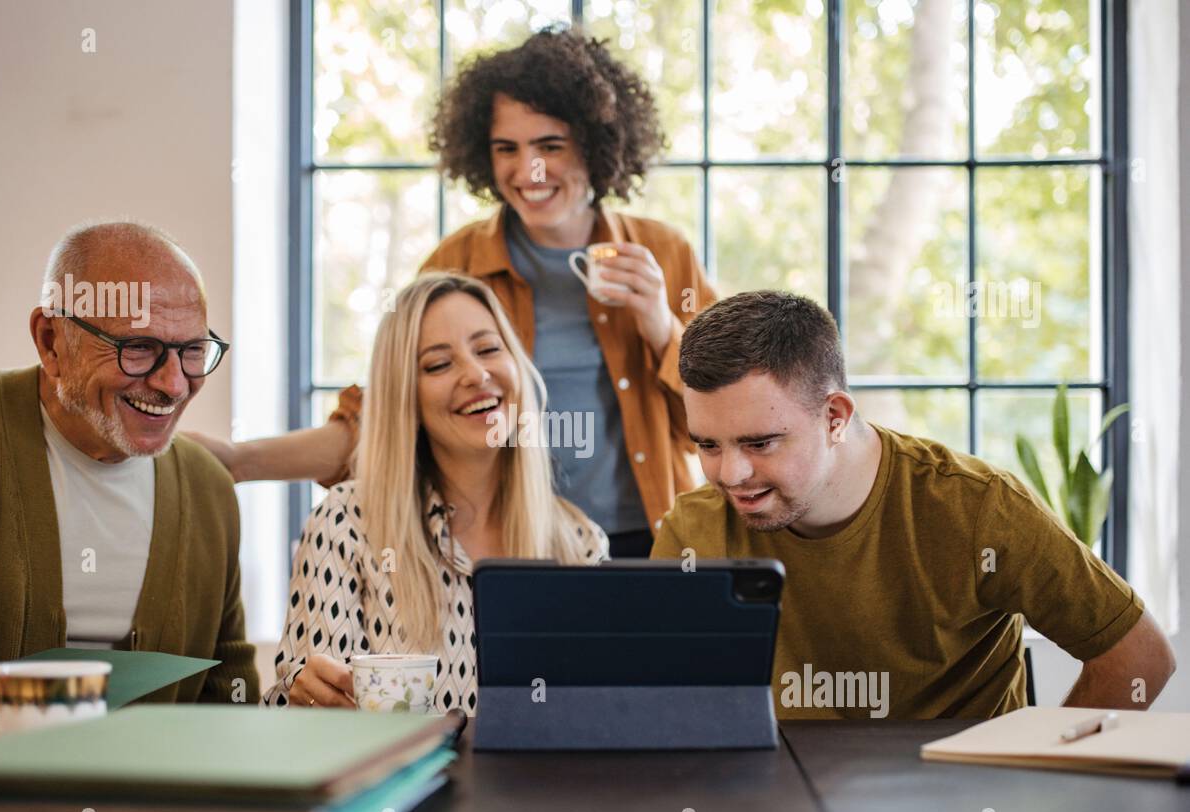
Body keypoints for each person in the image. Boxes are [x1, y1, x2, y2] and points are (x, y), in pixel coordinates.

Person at [191, 27, 716, 557]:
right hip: (508, 542)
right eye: (505, 148)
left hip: (646, 540)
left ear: (599, 146)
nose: (527, 169)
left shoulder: (663, 252)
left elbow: (725, 418)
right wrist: (240, 461)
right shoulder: (456, 264)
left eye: (550, 145)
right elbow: (386, 412)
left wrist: (661, 325)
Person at [652, 290, 1176, 719]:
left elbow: (1139, 659)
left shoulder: (978, 507)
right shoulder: (691, 532)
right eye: (707, 444)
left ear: (834, 416)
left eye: (759, 443)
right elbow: (651, 697)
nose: (730, 474)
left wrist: (1040, 778)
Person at [0, 221, 257, 704]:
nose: (173, 384)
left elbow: (229, 703)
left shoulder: (206, 488)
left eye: (191, 351)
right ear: (51, 341)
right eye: (139, 348)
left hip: (152, 782)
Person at [262, 273, 607, 714]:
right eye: (439, 365)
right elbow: (294, 721)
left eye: (488, 349)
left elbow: (595, 723)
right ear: (406, 398)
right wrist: (306, 696)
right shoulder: (345, 522)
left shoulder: (582, 545)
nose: (477, 374)